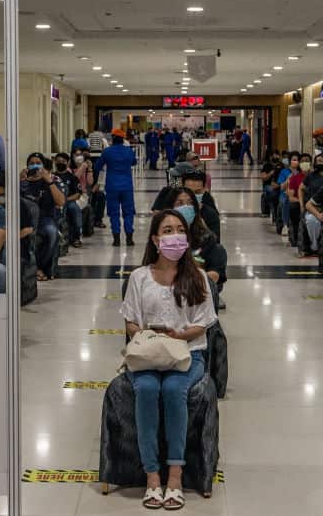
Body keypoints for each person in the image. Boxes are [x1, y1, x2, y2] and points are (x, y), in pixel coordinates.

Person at [122, 210, 218, 510]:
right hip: (149, 354)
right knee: (148, 390)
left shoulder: (197, 276)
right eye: (167, 230)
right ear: (155, 238)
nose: (174, 236)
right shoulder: (138, 277)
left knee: (174, 390)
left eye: (179, 230)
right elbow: (130, 323)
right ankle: (152, 476)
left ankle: (174, 475)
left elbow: (202, 324)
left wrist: (178, 337)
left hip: (188, 354)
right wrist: (153, 336)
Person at [21, 153, 66, 280]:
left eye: (38, 162)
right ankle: (32, 268)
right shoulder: (23, 183)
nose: (35, 165)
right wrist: (19, 181)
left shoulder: (50, 182)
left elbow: (61, 202)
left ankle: (40, 266)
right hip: (25, 220)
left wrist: (49, 181)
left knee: (52, 232)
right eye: (31, 163)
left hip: (44, 219)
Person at [94, 129, 137, 247]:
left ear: (113, 138)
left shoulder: (107, 152)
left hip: (112, 186)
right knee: (128, 212)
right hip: (127, 186)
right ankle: (129, 238)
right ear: (123, 139)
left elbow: (98, 166)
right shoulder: (129, 151)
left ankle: (116, 239)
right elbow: (134, 162)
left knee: (114, 213)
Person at [0, 173, 36, 261]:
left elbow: (28, 229)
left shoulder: (19, 204)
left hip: (14, 243)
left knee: (5, 256)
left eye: (2, 195)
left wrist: (7, 239)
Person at [53, 152, 84, 249]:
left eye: (63, 161)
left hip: (69, 201)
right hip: (54, 202)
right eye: (58, 161)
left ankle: (76, 237)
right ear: (54, 162)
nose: (60, 163)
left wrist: (65, 200)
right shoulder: (52, 177)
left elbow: (78, 194)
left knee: (74, 209)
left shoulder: (73, 178)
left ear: (68, 162)